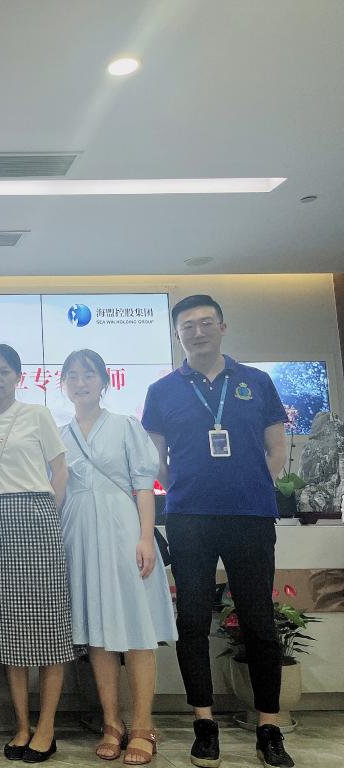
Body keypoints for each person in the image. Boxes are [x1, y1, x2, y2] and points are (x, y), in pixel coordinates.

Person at [142, 295, 293, 768]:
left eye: (206, 322)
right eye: (188, 326)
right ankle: (203, 724)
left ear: (223, 327)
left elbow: (277, 447)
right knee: (191, 620)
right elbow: (156, 458)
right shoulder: (162, 390)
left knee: (258, 621)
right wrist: (185, 489)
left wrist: (255, 485)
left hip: (250, 516)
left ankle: (268, 728)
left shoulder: (256, 381)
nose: (198, 331)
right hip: (189, 519)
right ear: (178, 336)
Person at [58, 349, 177, 766]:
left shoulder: (126, 425)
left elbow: (144, 486)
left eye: (88, 374)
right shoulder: (59, 434)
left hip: (124, 532)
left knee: (138, 629)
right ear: (63, 384)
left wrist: (145, 537)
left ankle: (143, 725)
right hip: (78, 534)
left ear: (104, 381)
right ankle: (112, 723)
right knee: (97, 633)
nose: (80, 382)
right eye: (72, 376)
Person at [0, 343, 73, 764]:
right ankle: (22, 725)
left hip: (38, 516)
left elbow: (60, 469)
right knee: (8, 626)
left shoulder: (37, 414)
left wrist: (49, 511)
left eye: (4, 371)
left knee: (50, 624)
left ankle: (46, 727)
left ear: (18, 376)